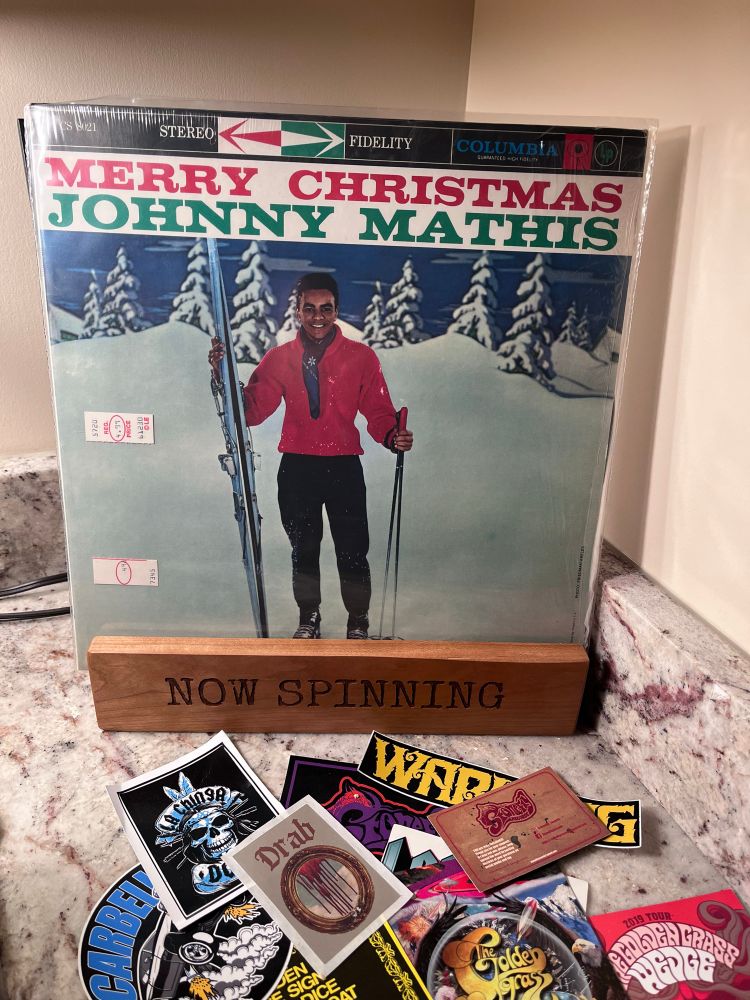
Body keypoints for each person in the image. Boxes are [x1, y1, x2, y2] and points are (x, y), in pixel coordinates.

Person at [209, 272, 413, 639]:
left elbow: (378, 410)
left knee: (352, 549)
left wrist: (391, 435)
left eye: (326, 308)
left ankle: (358, 620)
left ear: (337, 310)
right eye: (309, 308)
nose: (318, 316)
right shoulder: (280, 358)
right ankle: (309, 617)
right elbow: (252, 410)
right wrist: (223, 376)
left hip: (343, 467)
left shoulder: (361, 358)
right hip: (298, 469)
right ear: (298, 311)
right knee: (303, 549)